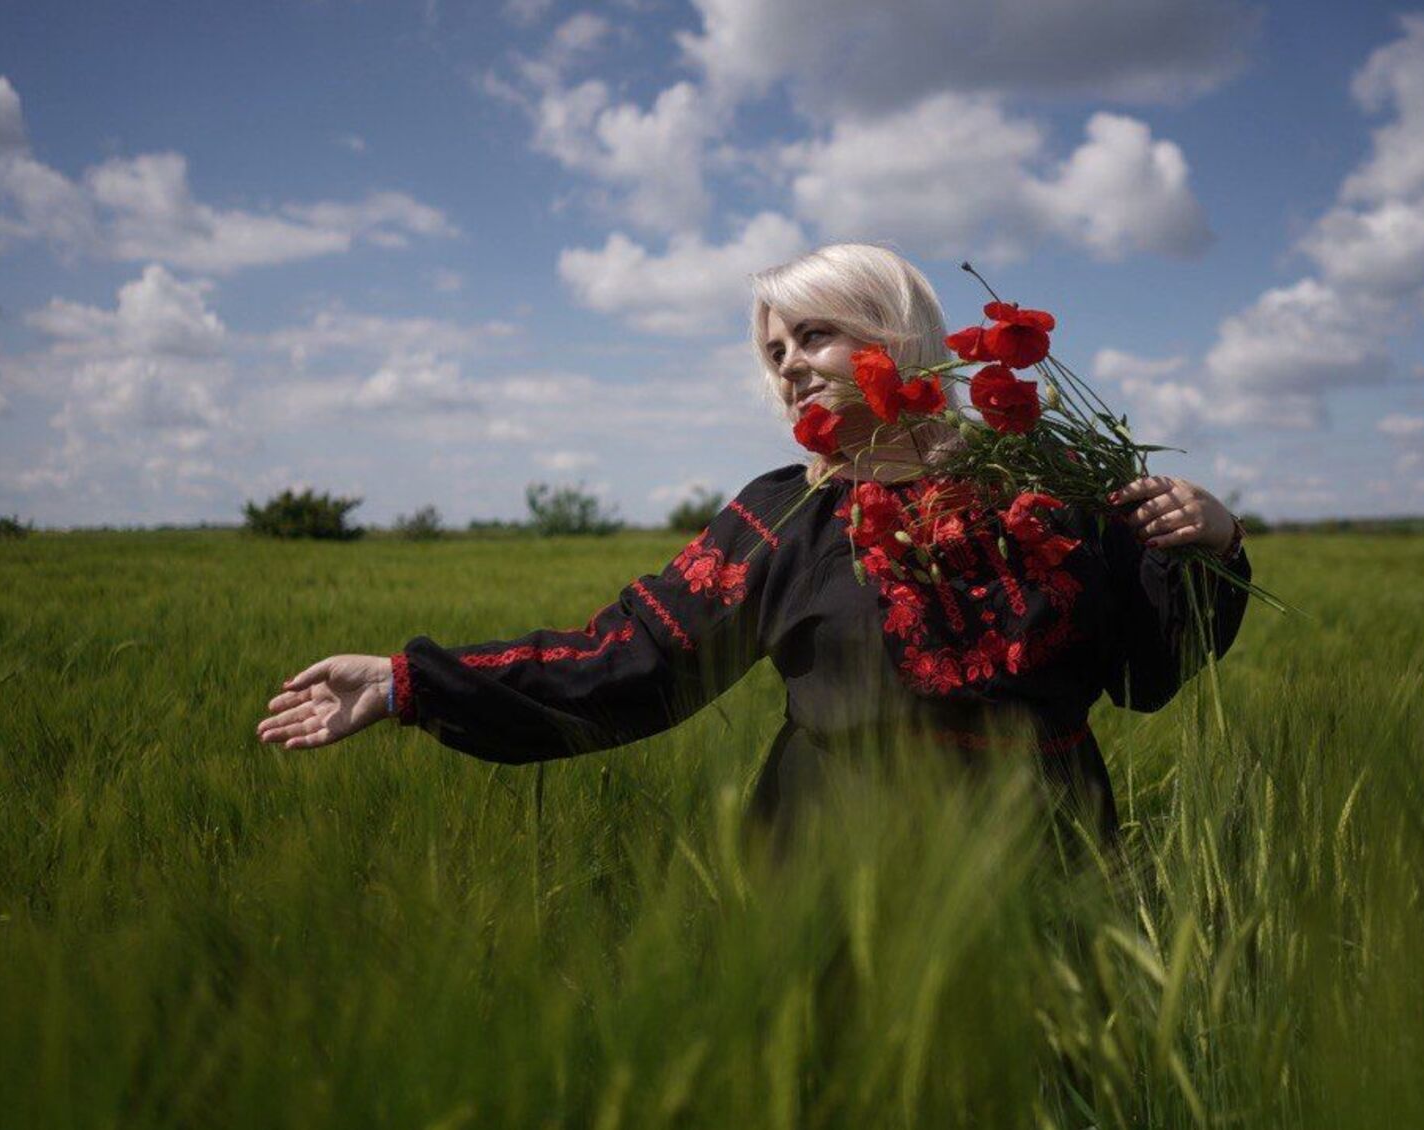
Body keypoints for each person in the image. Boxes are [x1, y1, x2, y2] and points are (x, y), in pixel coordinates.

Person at [254, 243, 1251, 860]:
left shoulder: (1054, 486)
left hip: (1050, 865)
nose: (786, 366)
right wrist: (407, 682)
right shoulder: (782, 521)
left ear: (900, 336)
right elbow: (628, 662)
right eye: (772, 352)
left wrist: (1210, 539)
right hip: (842, 877)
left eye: (811, 335)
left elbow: (1145, 669)